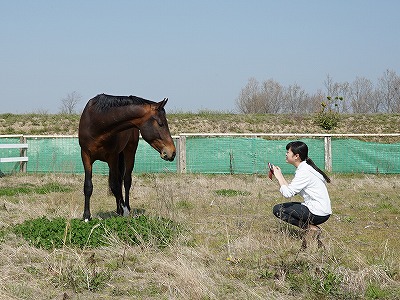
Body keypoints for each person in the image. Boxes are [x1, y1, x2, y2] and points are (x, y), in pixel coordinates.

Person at [271, 141, 332, 248]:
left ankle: (311, 228)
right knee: (284, 207)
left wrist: (278, 177)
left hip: (317, 213)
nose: (286, 154)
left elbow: (287, 194)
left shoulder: (304, 172)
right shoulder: (307, 168)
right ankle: (311, 228)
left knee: (278, 210)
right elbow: (291, 189)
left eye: (288, 152)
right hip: (322, 211)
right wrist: (280, 175)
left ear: (296, 156)